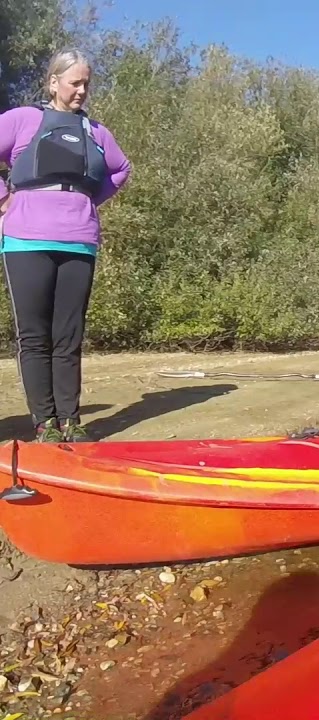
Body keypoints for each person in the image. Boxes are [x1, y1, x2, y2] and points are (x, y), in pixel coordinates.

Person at [0, 48, 133, 442]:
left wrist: (88, 201)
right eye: (75, 83)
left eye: (86, 84)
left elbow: (121, 169)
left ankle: (70, 421)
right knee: (34, 335)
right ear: (53, 82)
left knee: (68, 335)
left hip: (79, 240)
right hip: (26, 239)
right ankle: (45, 423)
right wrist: (4, 200)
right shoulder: (23, 119)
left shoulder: (97, 132)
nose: (81, 91)